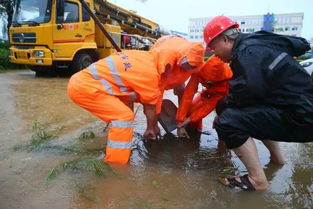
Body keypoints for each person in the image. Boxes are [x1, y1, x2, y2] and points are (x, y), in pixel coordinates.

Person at [203, 16, 313, 191]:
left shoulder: (246, 53)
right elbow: (300, 44)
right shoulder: (258, 39)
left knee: (228, 121)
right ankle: (278, 160)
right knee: (251, 112)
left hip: (302, 117)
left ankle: (256, 180)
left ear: (225, 39)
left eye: (212, 47)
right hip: (304, 107)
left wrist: (221, 109)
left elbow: (246, 92)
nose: (213, 53)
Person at [67, 40, 204, 165]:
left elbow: (134, 98)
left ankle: (118, 143)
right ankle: (116, 164)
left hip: (83, 83)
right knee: (124, 117)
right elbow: (150, 105)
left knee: (128, 107)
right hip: (85, 88)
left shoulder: (146, 58)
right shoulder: (151, 76)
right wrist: (151, 128)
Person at [176, 55, 232, 138]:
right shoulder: (200, 70)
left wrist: (187, 120)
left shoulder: (228, 82)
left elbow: (208, 106)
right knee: (191, 110)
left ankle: (222, 143)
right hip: (209, 93)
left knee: (224, 122)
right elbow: (188, 94)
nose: (209, 82)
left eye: (212, 81)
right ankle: (195, 132)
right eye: (207, 80)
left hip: (229, 99)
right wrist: (180, 121)